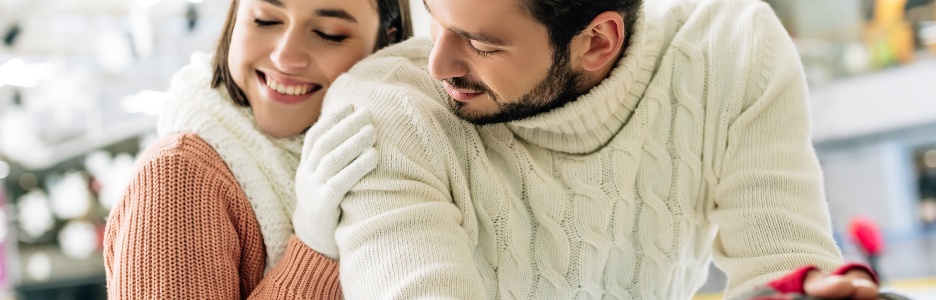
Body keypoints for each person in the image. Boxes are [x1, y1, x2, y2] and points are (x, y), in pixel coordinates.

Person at [295, 0, 884, 298]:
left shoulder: (730, 51)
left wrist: (804, 290)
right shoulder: (384, 112)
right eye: (434, 17)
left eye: (479, 43)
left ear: (597, 42)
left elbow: (780, 264)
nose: (438, 64)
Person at [103, 0, 411, 298]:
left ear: (387, 41)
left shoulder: (400, 157)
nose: (285, 57)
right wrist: (315, 250)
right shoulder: (177, 177)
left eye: (328, 34)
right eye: (265, 19)